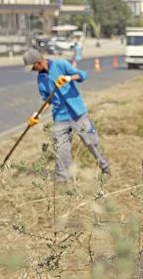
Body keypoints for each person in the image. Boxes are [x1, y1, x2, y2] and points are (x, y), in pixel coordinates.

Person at [22, 48, 110, 181]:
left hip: (77, 114)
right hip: (60, 117)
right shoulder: (41, 78)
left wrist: (68, 78)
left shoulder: (60, 65)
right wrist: (37, 115)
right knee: (61, 149)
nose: (33, 71)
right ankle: (63, 180)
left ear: (39, 62)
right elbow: (47, 99)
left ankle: (105, 167)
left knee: (91, 142)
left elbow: (82, 75)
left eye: (33, 67)